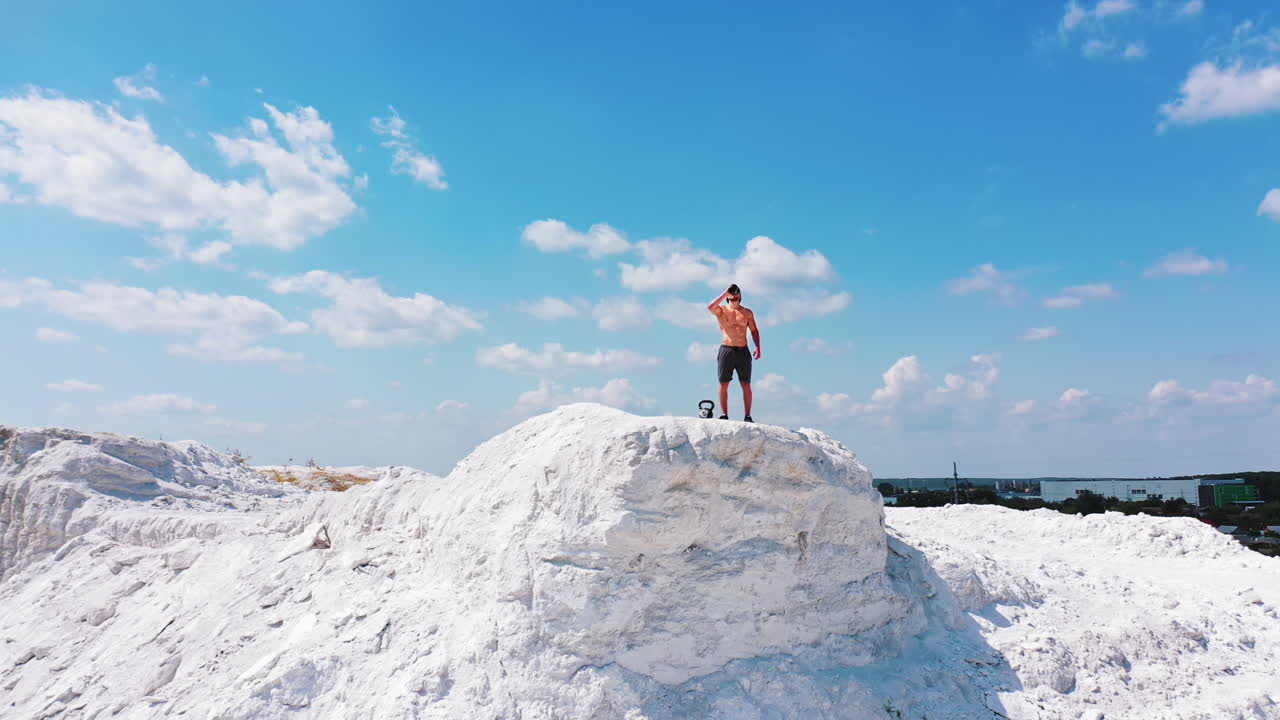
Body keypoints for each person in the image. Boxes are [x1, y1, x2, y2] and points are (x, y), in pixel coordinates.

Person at [707, 284, 761, 421]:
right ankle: (724, 414)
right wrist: (725, 292)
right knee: (724, 383)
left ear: (741, 296)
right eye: (732, 294)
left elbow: (754, 330)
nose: (735, 295)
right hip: (727, 349)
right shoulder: (722, 310)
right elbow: (710, 307)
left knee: (746, 384)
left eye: (737, 293)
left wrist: (757, 347)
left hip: (743, 350)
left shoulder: (747, 312)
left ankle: (748, 415)